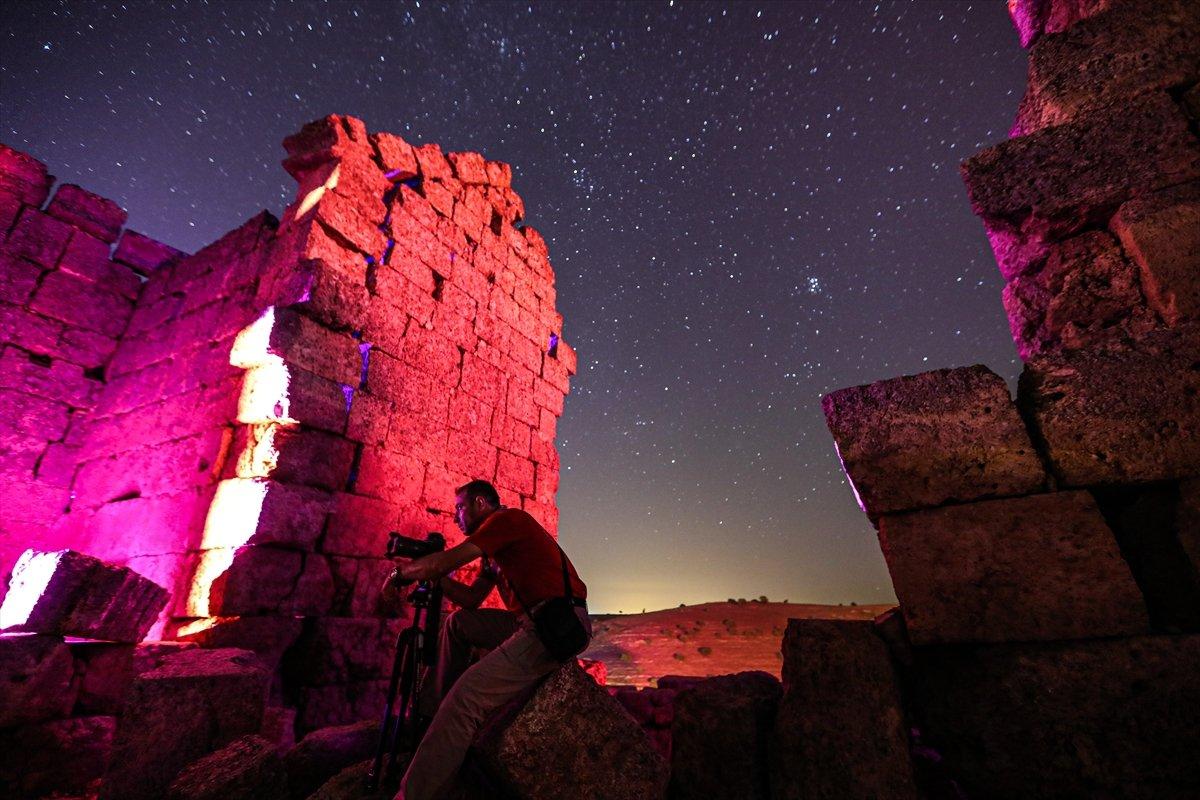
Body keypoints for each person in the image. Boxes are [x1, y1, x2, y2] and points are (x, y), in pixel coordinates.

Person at [386, 479, 590, 800]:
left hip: (555, 625)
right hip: (531, 620)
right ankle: (431, 716)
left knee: (466, 699)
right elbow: (471, 600)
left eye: (460, 508)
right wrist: (437, 579)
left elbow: (447, 561)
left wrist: (402, 574)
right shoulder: (494, 549)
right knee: (459, 623)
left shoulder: (506, 521)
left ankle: (411, 794)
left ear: (480, 503)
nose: (456, 516)